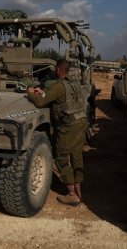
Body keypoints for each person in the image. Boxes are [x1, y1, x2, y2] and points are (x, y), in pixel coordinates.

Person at [26, 59, 86, 206]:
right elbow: (59, 97)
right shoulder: (75, 84)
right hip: (81, 122)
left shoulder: (59, 85)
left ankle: (72, 194)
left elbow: (40, 102)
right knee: (76, 154)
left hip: (69, 125)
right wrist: (45, 92)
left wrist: (30, 93)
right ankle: (79, 188)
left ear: (59, 70)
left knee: (61, 157)